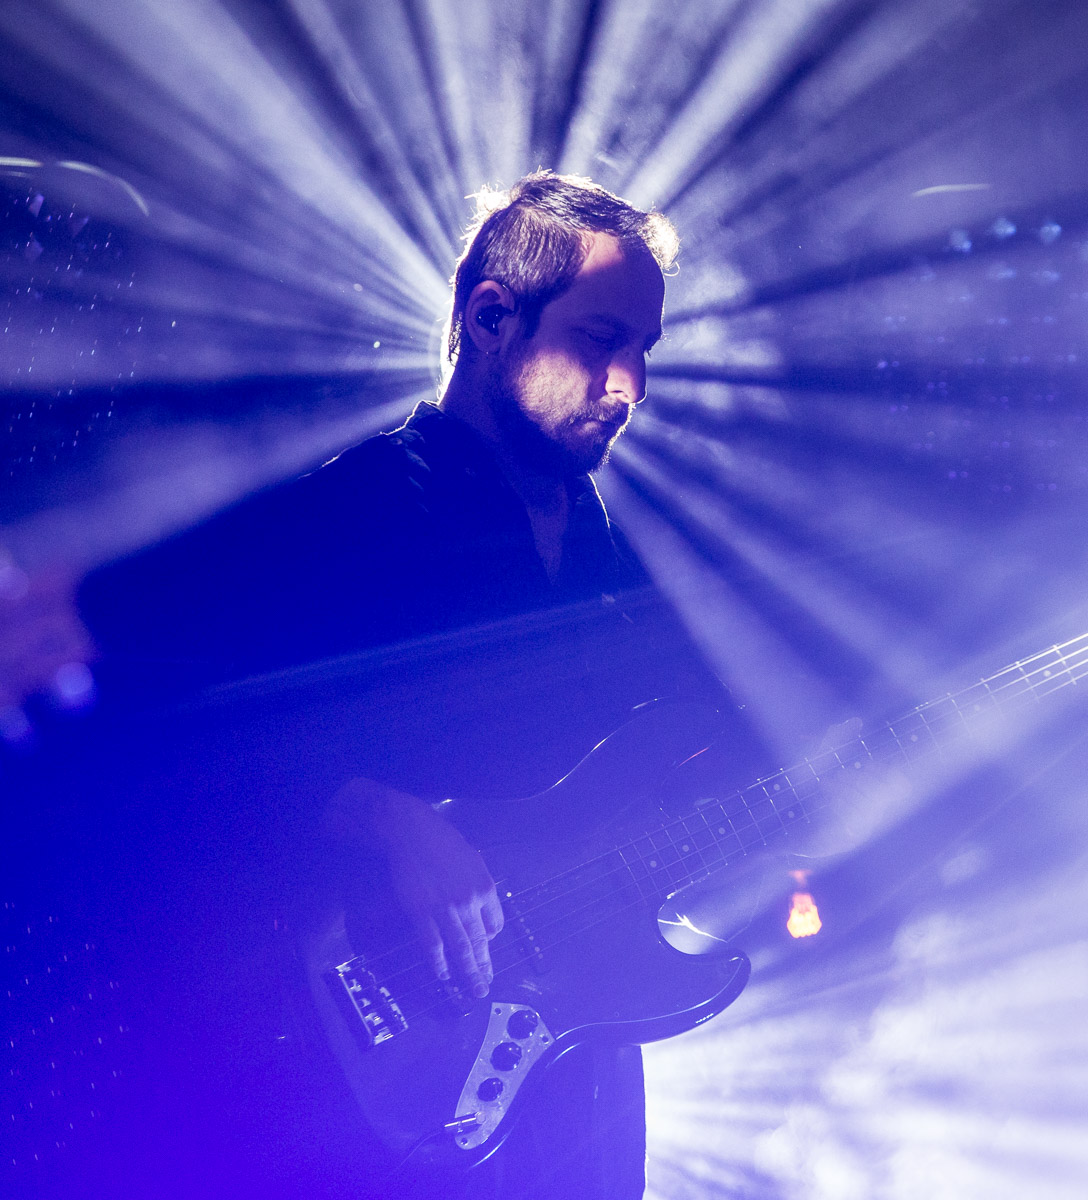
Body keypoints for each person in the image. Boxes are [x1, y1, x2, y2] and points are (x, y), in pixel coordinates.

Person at [11, 171, 726, 1199]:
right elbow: (142, 726)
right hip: (343, 1069)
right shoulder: (352, 510)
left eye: (643, 352)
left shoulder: (619, 565)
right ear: (491, 318)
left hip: (574, 1060)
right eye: (601, 340)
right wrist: (373, 813)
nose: (631, 388)